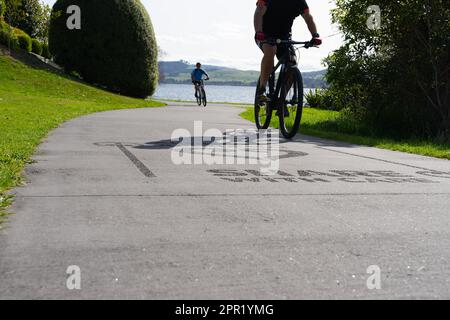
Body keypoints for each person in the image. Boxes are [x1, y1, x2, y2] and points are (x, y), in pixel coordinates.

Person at [254, 0, 322, 102]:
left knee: (292, 64)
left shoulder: (300, 2)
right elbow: (259, 11)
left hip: (284, 37)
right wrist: (258, 31)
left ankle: (281, 101)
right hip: (265, 34)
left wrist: (315, 35)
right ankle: (262, 90)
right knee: (271, 50)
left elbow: (308, 17)